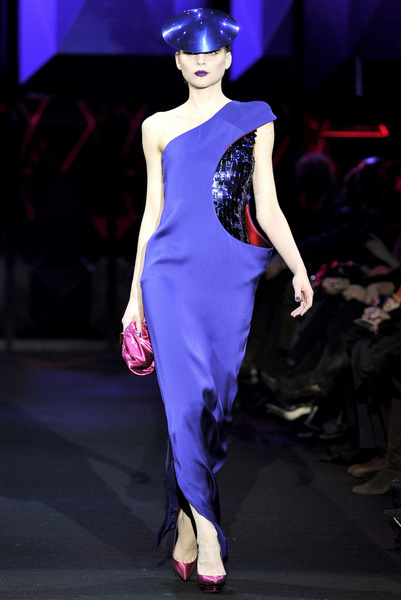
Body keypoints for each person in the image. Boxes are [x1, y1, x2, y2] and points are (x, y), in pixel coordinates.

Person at [121, 8, 313, 593]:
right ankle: (209, 535)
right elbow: (152, 212)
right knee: (184, 404)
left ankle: (184, 523)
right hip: (170, 277)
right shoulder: (157, 126)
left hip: (229, 276)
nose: (202, 61)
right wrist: (134, 296)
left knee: (215, 407)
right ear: (178, 62)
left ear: (228, 59)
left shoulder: (256, 119)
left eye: (212, 53)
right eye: (191, 54)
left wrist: (299, 267)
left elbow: (266, 205)